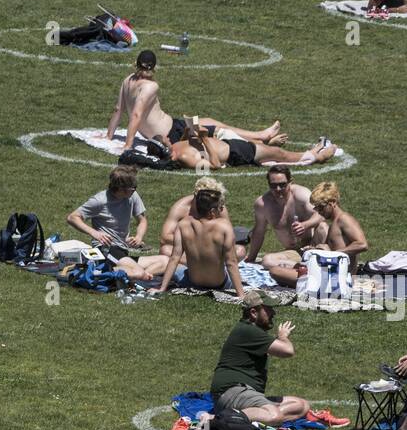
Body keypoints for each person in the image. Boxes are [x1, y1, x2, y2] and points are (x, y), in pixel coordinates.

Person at [108, 50, 292, 156]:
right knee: (220, 133)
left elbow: (118, 109)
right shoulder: (150, 86)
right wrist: (128, 145)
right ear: (154, 67)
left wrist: (109, 136)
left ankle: (261, 135)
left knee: (212, 122)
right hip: (172, 132)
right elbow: (136, 115)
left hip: (174, 124)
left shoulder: (128, 80)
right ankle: (263, 141)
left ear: (136, 64)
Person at [209, 290, 311, 426]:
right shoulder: (248, 331)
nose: (273, 313)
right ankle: (216, 419)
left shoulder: (252, 332)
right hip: (232, 391)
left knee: (301, 405)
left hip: (245, 392)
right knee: (274, 415)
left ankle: (248, 416)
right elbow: (288, 351)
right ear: (253, 313)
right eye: (268, 309)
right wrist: (282, 337)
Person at [259, 181, 368, 284]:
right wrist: (316, 251)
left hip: (336, 278)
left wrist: (332, 254)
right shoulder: (335, 222)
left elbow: (362, 244)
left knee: (276, 272)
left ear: (333, 203)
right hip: (328, 273)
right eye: (316, 208)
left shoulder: (344, 219)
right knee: (280, 266)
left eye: (321, 207)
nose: (319, 211)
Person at [156, 186, 245, 295]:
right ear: (212, 211)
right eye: (220, 207)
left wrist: (162, 288)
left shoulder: (183, 224)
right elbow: (231, 263)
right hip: (218, 284)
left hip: (192, 282)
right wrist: (241, 294)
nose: (222, 210)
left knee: (177, 268)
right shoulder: (224, 227)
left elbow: (174, 258)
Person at [168, 118, 336, 172]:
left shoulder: (175, 145)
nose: (166, 138)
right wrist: (204, 139)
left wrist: (189, 130)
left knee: (272, 153)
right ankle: (318, 156)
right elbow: (215, 165)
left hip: (230, 144)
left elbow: (187, 141)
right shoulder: (183, 157)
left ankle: (313, 152)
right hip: (235, 152)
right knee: (278, 154)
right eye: (163, 140)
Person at [244, 165, 318, 271]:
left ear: (290, 182)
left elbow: (320, 215)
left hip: (313, 245)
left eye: (282, 185)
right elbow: (259, 232)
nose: (278, 189)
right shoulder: (263, 204)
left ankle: (326, 260)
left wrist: (305, 225)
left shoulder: (301, 195)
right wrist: (251, 257)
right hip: (294, 251)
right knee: (267, 261)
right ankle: (306, 268)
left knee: (323, 228)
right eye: (273, 186)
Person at [68, 166, 147, 254]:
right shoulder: (100, 201)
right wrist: (94, 233)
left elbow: (142, 220)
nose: (134, 190)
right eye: (133, 188)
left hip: (122, 250)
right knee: (134, 268)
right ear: (121, 189)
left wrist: (138, 237)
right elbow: (72, 217)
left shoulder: (133, 196)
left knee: (162, 261)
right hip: (106, 249)